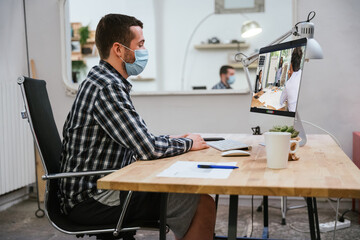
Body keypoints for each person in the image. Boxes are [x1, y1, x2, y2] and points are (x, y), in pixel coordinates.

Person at [59, 14, 216, 240]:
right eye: (140, 44)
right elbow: (147, 148)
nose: (144, 50)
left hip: (94, 189)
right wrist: (189, 143)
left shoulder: (101, 79)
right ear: (119, 50)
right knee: (201, 202)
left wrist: (172, 140)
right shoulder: (108, 88)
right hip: (93, 198)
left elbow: (136, 138)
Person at [280, 47, 303, 112]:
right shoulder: (302, 74)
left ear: (291, 65)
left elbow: (281, 101)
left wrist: (290, 78)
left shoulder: (289, 84)